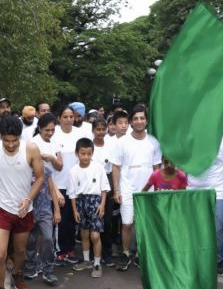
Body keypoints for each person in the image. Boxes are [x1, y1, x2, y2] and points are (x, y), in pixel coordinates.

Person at [0, 115, 44, 289]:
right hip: (0, 206)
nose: (10, 144)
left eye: (14, 140)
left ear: (20, 137)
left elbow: (40, 177)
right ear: (0, 137)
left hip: (24, 209)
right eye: (6, 140)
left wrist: (29, 199)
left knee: (19, 251)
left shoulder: (31, 149)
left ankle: (17, 272)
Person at [111, 106, 162, 271]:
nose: (139, 121)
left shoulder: (153, 142)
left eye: (142, 118)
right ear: (131, 122)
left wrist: (158, 190)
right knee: (127, 223)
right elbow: (116, 168)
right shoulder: (122, 142)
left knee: (143, 224)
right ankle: (125, 253)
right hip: (127, 190)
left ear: (146, 121)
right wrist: (116, 190)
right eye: (136, 119)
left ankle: (140, 254)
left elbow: (157, 168)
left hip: (148, 192)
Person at [188, 130, 223, 276]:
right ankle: (197, 260)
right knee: (196, 227)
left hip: (218, 190)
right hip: (193, 191)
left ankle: (216, 260)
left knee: (216, 227)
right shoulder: (190, 139)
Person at [25, 113, 62, 284]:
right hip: (30, 208)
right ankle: (31, 267)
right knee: (31, 239)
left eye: (53, 130)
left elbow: (52, 188)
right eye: (47, 130)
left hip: (45, 207)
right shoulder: (25, 172)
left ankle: (48, 270)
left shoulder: (46, 171)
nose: (50, 133)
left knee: (48, 238)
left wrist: (57, 210)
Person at [69, 138, 110, 278]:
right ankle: (86, 261)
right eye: (83, 154)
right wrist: (75, 210)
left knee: (95, 235)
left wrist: (102, 205)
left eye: (89, 153)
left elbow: (104, 188)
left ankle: (97, 263)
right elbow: (72, 193)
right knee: (84, 234)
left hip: (95, 202)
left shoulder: (98, 167)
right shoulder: (73, 170)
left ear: (92, 153)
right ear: (77, 153)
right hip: (81, 202)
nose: (86, 157)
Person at [50, 106, 82, 265]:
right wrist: (55, 189)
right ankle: (59, 251)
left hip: (75, 185)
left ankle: (70, 250)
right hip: (59, 185)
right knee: (60, 221)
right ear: (59, 118)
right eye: (65, 116)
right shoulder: (54, 134)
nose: (69, 120)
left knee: (72, 220)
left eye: (71, 116)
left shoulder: (80, 133)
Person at [91, 118, 116, 266]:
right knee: (93, 221)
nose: (100, 132)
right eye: (98, 129)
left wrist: (113, 189)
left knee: (106, 221)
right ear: (93, 130)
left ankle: (107, 253)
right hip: (91, 186)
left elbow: (113, 169)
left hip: (106, 185)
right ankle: (94, 254)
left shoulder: (110, 145)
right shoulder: (88, 146)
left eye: (103, 129)